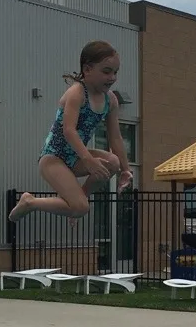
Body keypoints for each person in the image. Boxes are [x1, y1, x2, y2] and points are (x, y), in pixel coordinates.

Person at [9, 40, 133, 225]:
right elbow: (69, 130)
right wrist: (88, 160)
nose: (112, 78)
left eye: (115, 72)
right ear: (88, 69)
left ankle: (78, 200)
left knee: (112, 163)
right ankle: (30, 202)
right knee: (82, 208)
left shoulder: (111, 100)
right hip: (54, 158)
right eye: (106, 72)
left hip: (76, 158)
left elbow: (115, 136)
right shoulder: (77, 93)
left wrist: (125, 169)